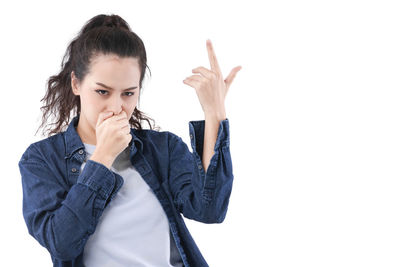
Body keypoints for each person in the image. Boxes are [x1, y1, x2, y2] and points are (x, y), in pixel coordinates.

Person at [18, 13, 241, 267]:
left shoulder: (162, 149)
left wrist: (214, 113)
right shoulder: (42, 159)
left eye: (128, 93)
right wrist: (102, 157)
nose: (116, 107)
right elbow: (62, 243)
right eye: (102, 91)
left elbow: (210, 210)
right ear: (76, 83)